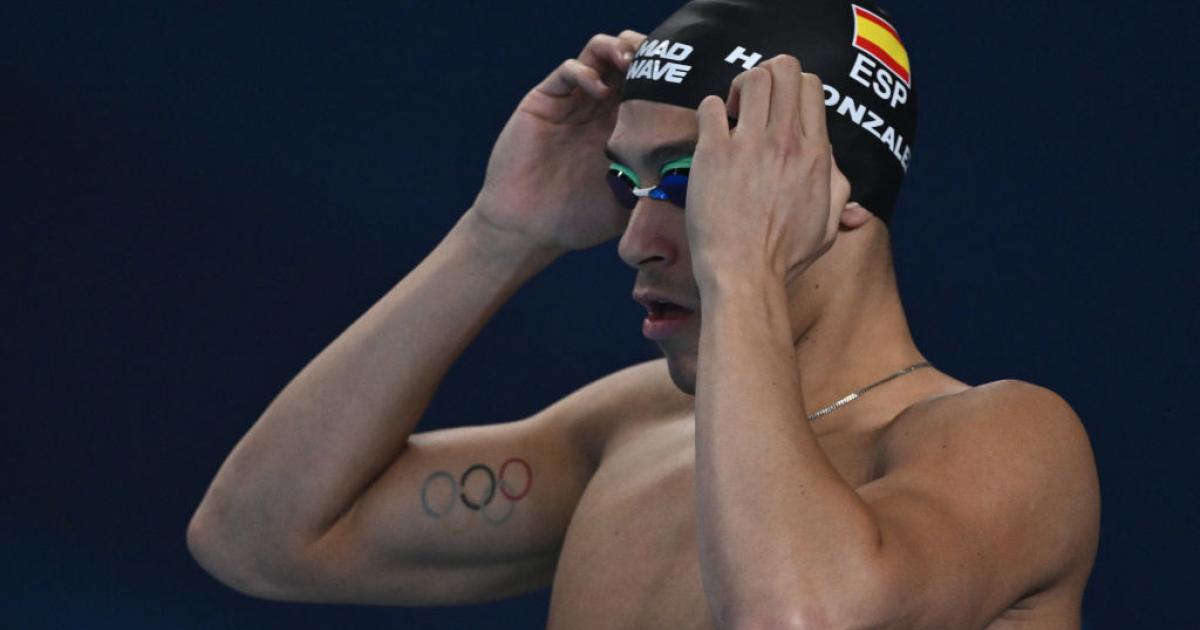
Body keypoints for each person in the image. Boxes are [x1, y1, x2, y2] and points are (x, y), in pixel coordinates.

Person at [187, 1, 1100, 627]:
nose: (635, 238)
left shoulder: (1009, 442)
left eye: (691, 179)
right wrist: (499, 234)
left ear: (839, 193)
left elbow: (795, 614)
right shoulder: (638, 432)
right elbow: (260, 539)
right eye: (628, 184)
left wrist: (739, 264)